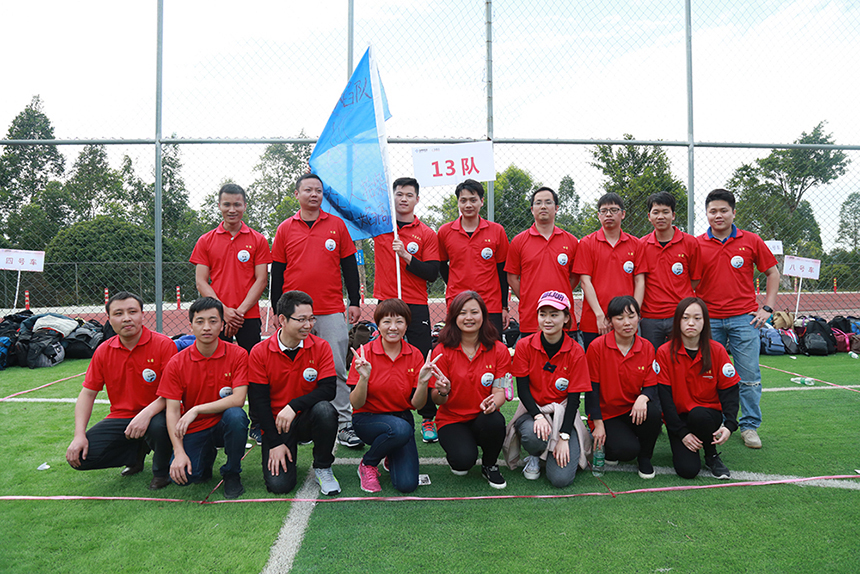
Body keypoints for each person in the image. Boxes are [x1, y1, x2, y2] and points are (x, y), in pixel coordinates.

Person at [270, 173, 363, 449]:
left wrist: (354, 301)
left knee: (336, 367)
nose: (314, 194)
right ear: (297, 194)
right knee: (294, 368)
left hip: (331, 308)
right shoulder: (285, 229)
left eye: (319, 191)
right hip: (293, 314)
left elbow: (349, 266)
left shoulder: (336, 225)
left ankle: (344, 424)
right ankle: (299, 421)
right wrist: (277, 309)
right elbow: (278, 272)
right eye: (308, 190)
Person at [65, 291, 177, 490]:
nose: (126, 318)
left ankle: (161, 472)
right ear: (109, 319)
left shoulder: (163, 345)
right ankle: (135, 454)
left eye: (132, 312)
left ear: (142, 315)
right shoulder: (103, 350)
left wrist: (145, 415)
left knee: (157, 426)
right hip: (122, 416)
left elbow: (172, 393)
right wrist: (79, 435)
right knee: (81, 457)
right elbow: (88, 394)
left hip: (158, 413)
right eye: (118, 313)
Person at [696, 188, 779, 449]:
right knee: (709, 374)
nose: (718, 215)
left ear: (734, 212)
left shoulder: (751, 240)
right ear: (706, 214)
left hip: (745, 319)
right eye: (713, 211)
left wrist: (767, 308)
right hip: (709, 320)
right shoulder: (697, 244)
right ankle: (717, 421)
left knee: (749, 375)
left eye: (723, 210)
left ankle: (749, 426)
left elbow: (773, 273)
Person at [247, 290, 341, 496]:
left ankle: (323, 466)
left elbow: (329, 390)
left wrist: (293, 406)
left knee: (325, 410)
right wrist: (274, 442)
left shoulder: (321, 346)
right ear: (282, 320)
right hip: (276, 424)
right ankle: (285, 449)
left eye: (311, 318)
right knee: (279, 486)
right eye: (301, 319)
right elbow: (259, 402)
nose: (308, 325)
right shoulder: (260, 351)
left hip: (306, 417)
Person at [158, 298, 250, 499]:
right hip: (196, 427)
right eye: (200, 322)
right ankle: (204, 457)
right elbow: (172, 411)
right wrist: (179, 452)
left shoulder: (238, 354)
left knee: (236, 416)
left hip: (223, 423)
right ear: (191, 326)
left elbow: (238, 399)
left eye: (213, 321)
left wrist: (196, 409)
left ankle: (232, 473)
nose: (206, 327)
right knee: (186, 477)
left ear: (222, 325)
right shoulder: (177, 362)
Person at [372, 177, 441, 444]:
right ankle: (385, 410)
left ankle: (427, 416)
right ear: (392, 198)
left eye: (409, 195)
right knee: (384, 357)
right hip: (386, 302)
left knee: (423, 358)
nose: (403, 199)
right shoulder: (381, 227)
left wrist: (406, 256)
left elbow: (432, 272)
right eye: (399, 194)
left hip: (415, 303)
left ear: (417, 199)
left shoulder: (426, 233)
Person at [348, 299, 441, 493]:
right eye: (387, 322)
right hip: (367, 419)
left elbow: (417, 405)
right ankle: (368, 463)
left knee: (407, 484)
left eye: (399, 322)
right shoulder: (365, 354)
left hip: (401, 419)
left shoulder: (415, 354)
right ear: (378, 325)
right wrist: (363, 378)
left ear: (406, 326)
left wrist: (423, 382)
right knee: (399, 429)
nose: (393, 327)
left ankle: (390, 451)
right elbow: (356, 403)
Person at [504, 290, 591, 488]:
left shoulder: (576, 351)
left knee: (561, 479)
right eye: (543, 314)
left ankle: (569, 441)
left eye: (554, 314)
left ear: (566, 318)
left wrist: (564, 436)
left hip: (563, 413)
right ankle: (535, 454)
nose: (548, 320)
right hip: (533, 412)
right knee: (533, 435)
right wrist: (537, 416)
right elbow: (523, 390)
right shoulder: (524, 346)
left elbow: (574, 399)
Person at [430, 291, 511, 488]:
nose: (469, 318)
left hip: (483, 417)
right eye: (462, 312)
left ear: (483, 315)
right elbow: (437, 399)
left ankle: (490, 465)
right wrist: (443, 391)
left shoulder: (498, 349)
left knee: (496, 420)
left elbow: (500, 390)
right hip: (452, 419)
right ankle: (462, 448)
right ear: (453, 317)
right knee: (462, 463)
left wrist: (493, 403)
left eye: (474, 312)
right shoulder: (442, 350)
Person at [656, 298, 740, 479]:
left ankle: (711, 455)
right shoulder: (664, 352)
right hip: (678, 419)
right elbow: (665, 399)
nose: (691, 323)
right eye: (685, 318)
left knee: (699, 414)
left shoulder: (717, 350)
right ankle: (687, 444)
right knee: (687, 470)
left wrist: (729, 425)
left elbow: (730, 392)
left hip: (706, 416)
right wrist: (682, 433)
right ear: (677, 321)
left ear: (705, 322)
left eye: (697, 318)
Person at [585, 296, 662, 479]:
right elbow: (591, 390)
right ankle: (611, 444)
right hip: (608, 414)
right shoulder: (597, 347)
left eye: (631, 316)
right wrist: (598, 423)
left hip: (633, 410)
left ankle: (645, 458)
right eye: (619, 318)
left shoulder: (647, 347)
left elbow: (651, 384)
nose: (627, 323)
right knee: (625, 451)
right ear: (610, 321)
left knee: (653, 412)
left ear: (639, 318)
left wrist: (643, 398)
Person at [190, 183, 271, 353]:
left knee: (252, 362)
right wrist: (223, 311)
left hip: (248, 315)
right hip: (216, 316)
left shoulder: (258, 240)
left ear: (245, 206)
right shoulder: (205, 241)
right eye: (227, 204)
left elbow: (262, 280)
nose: (232, 210)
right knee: (216, 362)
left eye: (237, 204)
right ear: (219, 206)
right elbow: (201, 282)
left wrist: (239, 313)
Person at [437, 179, 510, 337]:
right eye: (463, 200)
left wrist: (504, 306)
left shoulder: (497, 231)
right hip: (457, 303)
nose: (468, 205)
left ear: (481, 201)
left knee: (492, 347)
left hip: (490, 304)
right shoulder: (444, 232)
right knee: (456, 347)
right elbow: (441, 264)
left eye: (473, 200)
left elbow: (502, 271)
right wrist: (454, 283)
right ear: (458, 202)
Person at [506, 187, 580, 338]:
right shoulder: (519, 241)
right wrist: (527, 296)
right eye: (538, 203)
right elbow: (512, 277)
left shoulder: (571, 241)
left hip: (563, 319)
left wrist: (558, 295)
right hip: (530, 319)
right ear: (532, 209)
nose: (543, 206)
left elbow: (575, 276)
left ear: (556, 208)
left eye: (548, 202)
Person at [573, 193, 643, 350]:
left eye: (613, 210)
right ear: (599, 215)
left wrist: (633, 315)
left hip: (626, 320)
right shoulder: (586, 243)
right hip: (595, 321)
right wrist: (599, 315)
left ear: (623, 214)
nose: (608, 214)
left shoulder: (636, 244)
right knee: (596, 363)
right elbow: (585, 282)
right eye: (604, 211)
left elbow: (640, 281)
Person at [634, 192, 702, 349]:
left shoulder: (690, 243)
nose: (660, 217)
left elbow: (695, 278)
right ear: (649, 216)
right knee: (652, 359)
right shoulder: (641, 245)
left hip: (681, 314)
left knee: (681, 358)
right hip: (650, 316)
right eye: (656, 212)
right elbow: (639, 281)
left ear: (673, 215)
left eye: (665, 212)